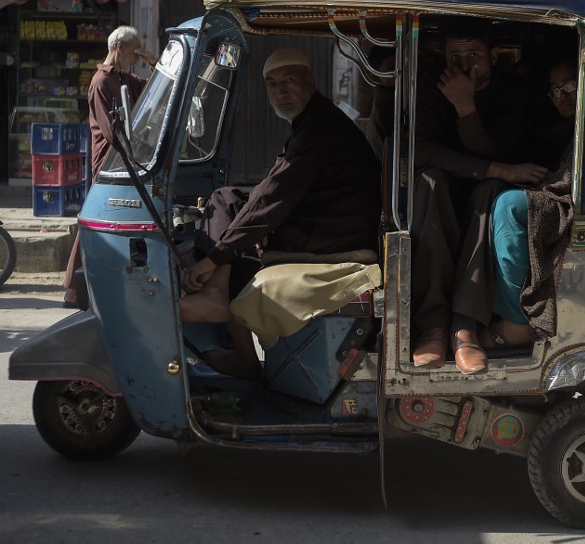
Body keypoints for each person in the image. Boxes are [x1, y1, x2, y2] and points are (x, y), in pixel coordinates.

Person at [179, 47, 380, 377]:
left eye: (288, 81)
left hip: (331, 238)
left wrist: (214, 258)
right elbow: (271, 189)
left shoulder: (320, 126)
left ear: (310, 82)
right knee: (226, 199)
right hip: (319, 223)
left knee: (236, 258)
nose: (280, 92)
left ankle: (240, 349)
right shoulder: (311, 122)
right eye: (271, 84)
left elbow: (274, 195)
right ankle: (217, 295)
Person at [410, 21, 547, 374]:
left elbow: (504, 149)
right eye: (455, 56)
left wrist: (465, 107)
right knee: (430, 182)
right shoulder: (430, 87)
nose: (463, 64)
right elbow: (423, 151)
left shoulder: (512, 93)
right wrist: (495, 169)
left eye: (473, 54)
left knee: (491, 192)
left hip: (483, 198)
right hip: (442, 194)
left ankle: (463, 328)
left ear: (493, 56)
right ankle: (434, 328)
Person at [62, 25, 157, 308]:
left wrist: (152, 61)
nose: (136, 55)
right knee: (93, 218)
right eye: (134, 50)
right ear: (119, 48)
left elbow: (155, 88)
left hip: (124, 160)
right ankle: (72, 287)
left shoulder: (124, 78)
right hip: (108, 161)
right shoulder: (101, 82)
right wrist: (136, 154)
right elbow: (110, 130)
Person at [487, 60, 578, 350]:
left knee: (510, 205)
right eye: (554, 90)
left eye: (571, 85)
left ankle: (516, 322)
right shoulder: (555, 130)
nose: (563, 95)